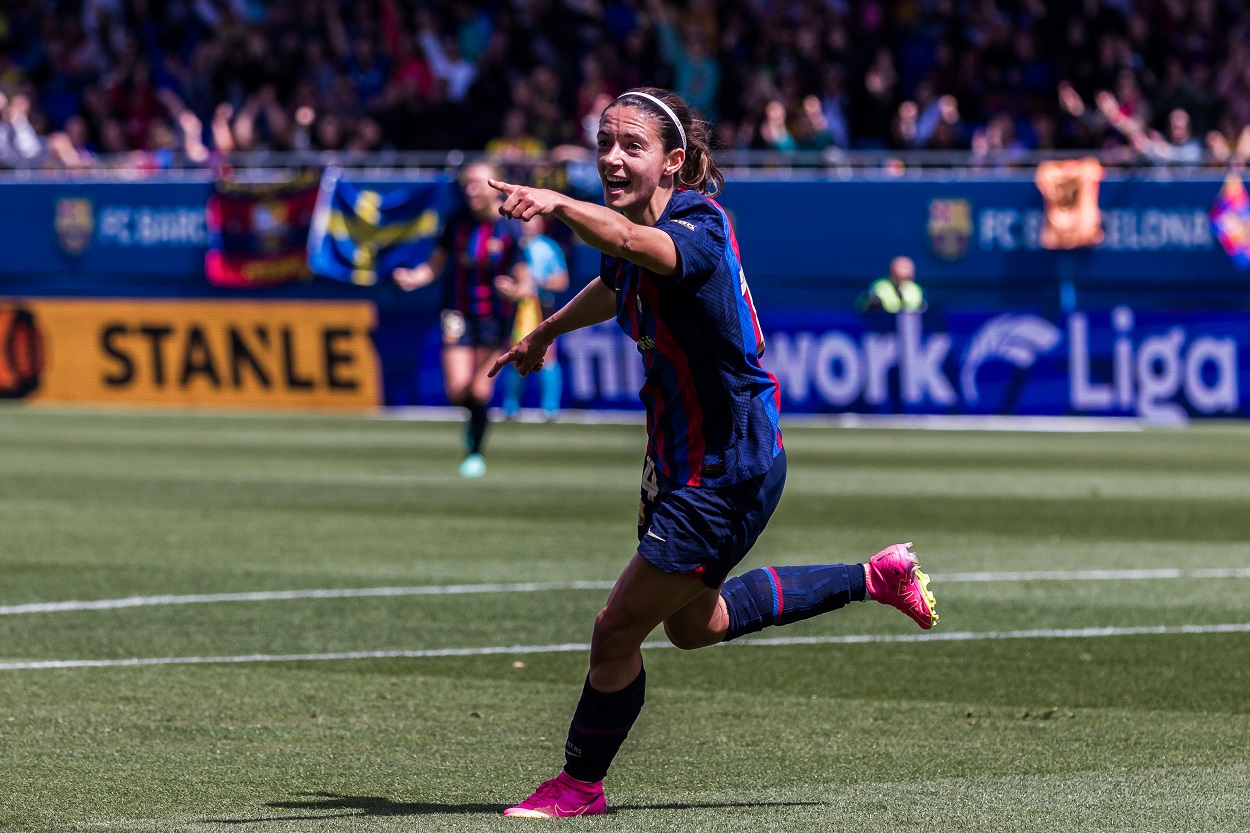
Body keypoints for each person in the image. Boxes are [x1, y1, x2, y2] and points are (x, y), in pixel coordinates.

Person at [486, 87, 939, 819]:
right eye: (604, 143)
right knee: (696, 626)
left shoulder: (696, 224)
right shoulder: (635, 230)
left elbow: (635, 250)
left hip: (726, 467)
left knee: (615, 628)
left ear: (674, 161)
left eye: (631, 145)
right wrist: (545, 333)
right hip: (682, 458)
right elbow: (614, 279)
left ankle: (579, 783)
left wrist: (560, 205)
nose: (611, 158)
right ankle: (874, 576)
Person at [393, 159, 533, 478]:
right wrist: (415, 278)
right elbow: (434, 265)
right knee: (458, 391)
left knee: (480, 391)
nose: (471, 190)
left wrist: (515, 289)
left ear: (494, 187)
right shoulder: (456, 221)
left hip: (496, 319)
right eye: (467, 183)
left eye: (477, 184)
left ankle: (474, 453)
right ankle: (474, 422)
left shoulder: (509, 225)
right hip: (457, 314)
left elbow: (525, 279)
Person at [501, 215, 569, 420]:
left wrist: (537, 283)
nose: (528, 225)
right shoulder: (508, 244)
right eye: (524, 221)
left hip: (541, 306)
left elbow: (562, 280)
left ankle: (550, 408)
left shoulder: (549, 247)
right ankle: (510, 407)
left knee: (548, 354)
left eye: (533, 221)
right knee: (514, 352)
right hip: (515, 307)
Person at [858, 255, 926, 313]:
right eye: (899, 276)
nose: (904, 273)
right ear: (892, 272)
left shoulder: (916, 289)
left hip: (909, 324)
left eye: (907, 276)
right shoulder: (879, 287)